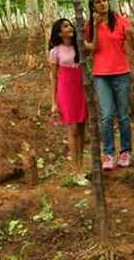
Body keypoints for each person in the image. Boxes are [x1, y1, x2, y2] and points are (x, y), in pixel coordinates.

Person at [83, 0, 134, 170]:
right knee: (106, 116)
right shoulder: (90, 26)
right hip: (101, 75)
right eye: (98, 2)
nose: (102, 4)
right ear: (92, 6)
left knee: (122, 115)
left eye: (104, 0)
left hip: (121, 73)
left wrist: (131, 35)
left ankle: (125, 151)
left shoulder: (122, 21)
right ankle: (108, 153)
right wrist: (95, 26)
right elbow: (90, 49)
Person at [48, 18, 88, 178]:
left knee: (82, 128)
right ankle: (75, 170)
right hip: (66, 91)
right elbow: (53, 77)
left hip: (81, 89)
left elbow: (94, 47)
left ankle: (81, 166)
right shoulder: (55, 51)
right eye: (65, 26)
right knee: (72, 129)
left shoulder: (79, 46)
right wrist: (53, 101)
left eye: (70, 25)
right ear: (59, 32)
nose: (70, 27)